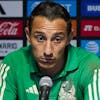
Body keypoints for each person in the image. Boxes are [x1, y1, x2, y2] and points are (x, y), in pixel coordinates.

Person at [0, 1, 100, 100]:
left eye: (57, 39)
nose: (48, 51)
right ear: (28, 35)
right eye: (40, 38)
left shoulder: (90, 66)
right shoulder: (13, 64)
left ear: (69, 37)